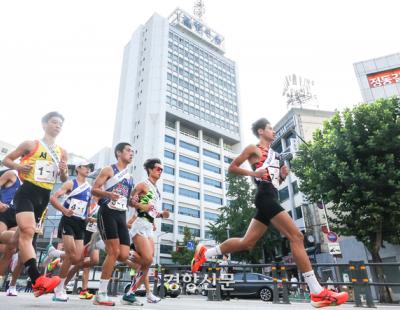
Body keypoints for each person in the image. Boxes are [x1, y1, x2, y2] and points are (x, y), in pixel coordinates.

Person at [191, 118, 348, 308]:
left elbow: (277, 182)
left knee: (246, 242)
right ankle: (316, 292)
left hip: (271, 196)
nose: (273, 132)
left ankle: (205, 253)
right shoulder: (253, 149)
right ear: (260, 131)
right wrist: (253, 174)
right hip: (264, 196)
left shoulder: (275, 154)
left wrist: (282, 175)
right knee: (296, 236)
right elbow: (232, 167)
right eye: (270, 129)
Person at [2, 111, 68, 297]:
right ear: (44, 124)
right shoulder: (31, 144)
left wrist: (63, 172)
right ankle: (37, 279)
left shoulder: (62, 152)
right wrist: (17, 167)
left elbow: (62, 179)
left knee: (17, 240)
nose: (58, 126)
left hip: (44, 195)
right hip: (27, 191)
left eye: (60, 124)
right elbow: (7, 159)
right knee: (28, 233)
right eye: (54, 122)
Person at [91, 142, 134, 306]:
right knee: (114, 252)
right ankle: (101, 294)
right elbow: (94, 189)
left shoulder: (130, 177)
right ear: (119, 153)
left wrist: (134, 201)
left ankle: (103, 244)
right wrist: (108, 193)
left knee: (123, 255)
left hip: (121, 215)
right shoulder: (108, 170)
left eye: (133, 151)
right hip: (107, 212)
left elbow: (128, 201)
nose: (131, 153)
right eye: (128, 150)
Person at [124, 158, 169, 304]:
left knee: (148, 262)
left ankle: (143, 293)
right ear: (150, 169)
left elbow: (152, 210)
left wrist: (162, 215)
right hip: (140, 226)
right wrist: (141, 206)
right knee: (147, 259)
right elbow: (131, 201)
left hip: (149, 226)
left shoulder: (156, 189)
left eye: (162, 169)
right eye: (157, 168)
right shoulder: (142, 184)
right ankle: (125, 256)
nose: (160, 171)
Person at [49, 161, 93, 301]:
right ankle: (59, 288)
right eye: (86, 166)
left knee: (77, 258)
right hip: (68, 221)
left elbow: (86, 210)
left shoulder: (89, 188)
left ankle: (55, 253)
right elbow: (53, 198)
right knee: (71, 254)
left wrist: (88, 218)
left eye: (90, 168)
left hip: (80, 224)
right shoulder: (70, 184)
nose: (88, 169)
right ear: (79, 168)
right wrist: (64, 210)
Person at [0, 169, 22, 295]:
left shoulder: (31, 182)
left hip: (17, 215)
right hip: (3, 211)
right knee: (2, 247)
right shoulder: (12, 174)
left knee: (10, 249)